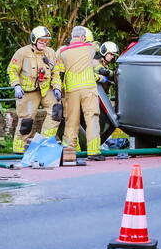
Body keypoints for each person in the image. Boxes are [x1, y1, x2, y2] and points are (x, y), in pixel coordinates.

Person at [50, 26, 105, 162]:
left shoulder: (62, 52)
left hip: (71, 90)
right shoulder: (90, 48)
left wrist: (57, 88)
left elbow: (57, 72)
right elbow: (98, 49)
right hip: (88, 88)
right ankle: (93, 152)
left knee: (71, 122)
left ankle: (68, 151)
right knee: (91, 119)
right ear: (83, 37)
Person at [6, 25, 58, 154]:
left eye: (46, 41)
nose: (44, 44)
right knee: (26, 120)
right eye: (41, 41)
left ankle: (44, 142)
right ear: (34, 40)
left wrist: (57, 87)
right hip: (28, 91)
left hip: (46, 88)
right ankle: (19, 148)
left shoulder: (50, 52)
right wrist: (16, 85)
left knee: (56, 112)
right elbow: (11, 70)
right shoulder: (22, 52)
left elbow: (56, 72)